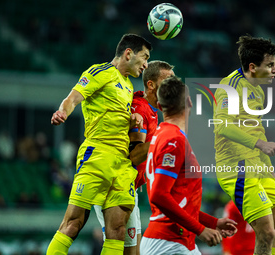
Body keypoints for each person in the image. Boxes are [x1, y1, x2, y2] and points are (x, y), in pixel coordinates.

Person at [46, 33, 151, 255]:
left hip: (122, 164)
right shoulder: (100, 72)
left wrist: (133, 119)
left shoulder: (128, 86)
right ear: (128, 53)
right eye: (145, 57)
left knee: (118, 230)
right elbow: (73, 97)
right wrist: (62, 112)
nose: (146, 64)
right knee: (73, 224)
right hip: (97, 156)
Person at [213, 35, 275, 255]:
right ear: (252, 66)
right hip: (236, 167)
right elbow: (222, 126)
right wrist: (260, 144)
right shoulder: (229, 88)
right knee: (267, 232)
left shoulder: (257, 88)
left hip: (259, 166)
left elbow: (256, 130)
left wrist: (270, 170)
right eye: (270, 65)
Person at [140, 76, 238, 255]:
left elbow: (179, 202)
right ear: (189, 103)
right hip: (168, 243)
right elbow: (159, 195)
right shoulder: (174, 141)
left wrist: (213, 223)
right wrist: (200, 230)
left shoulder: (162, 135)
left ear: (160, 107)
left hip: (176, 241)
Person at [94, 60, 175, 255]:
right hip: (113, 184)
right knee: (119, 247)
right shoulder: (140, 108)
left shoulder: (153, 113)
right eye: (168, 80)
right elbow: (134, 154)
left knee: (132, 252)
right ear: (151, 85)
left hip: (128, 187)